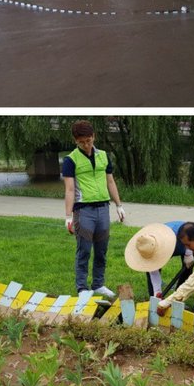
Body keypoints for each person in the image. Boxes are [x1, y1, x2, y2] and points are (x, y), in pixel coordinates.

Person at [62, 119, 125, 299]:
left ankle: (98, 284)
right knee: (84, 250)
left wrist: (119, 205)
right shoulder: (70, 160)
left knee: (101, 249)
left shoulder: (103, 156)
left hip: (103, 208)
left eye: (89, 140)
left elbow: (110, 181)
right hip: (84, 211)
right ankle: (82, 288)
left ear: (93, 137)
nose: (86, 145)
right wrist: (68, 216)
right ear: (75, 141)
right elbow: (70, 189)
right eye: (82, 142)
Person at [125, 221, 194, 299]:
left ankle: (179, 296)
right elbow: (153, 272)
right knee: (150, 270)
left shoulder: (175, 233)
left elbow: (191, 235)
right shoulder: (147, 246)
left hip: (186, 241)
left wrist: (188, 253)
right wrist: (157, 291)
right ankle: (154, 299)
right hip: (168, 247)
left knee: (188, 268)